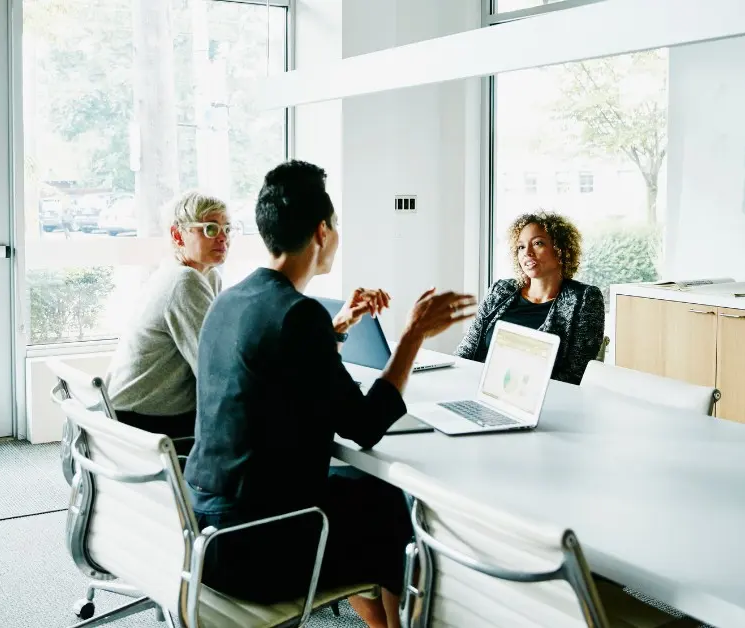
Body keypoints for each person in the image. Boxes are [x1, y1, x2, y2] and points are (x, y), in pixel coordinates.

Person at [183, 160, 476, 628]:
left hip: (203, 530)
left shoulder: (232, 298)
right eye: (335, 225)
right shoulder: (297, 315)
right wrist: (412, 336)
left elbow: (280, 370)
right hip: (254, 545)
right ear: (323, 231)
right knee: (390, 505)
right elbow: (364, 425)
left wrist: (337, 329)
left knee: (366, 495)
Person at [104, 191, 234, 443]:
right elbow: (214, 367)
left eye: (227, 229)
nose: (222, 238)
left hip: (129, 412)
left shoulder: (203, 276)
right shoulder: (184, 281)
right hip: (141, 422)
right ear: (177, 235)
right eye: (209, 229)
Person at [455, 211, 605, 385]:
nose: (527, 252)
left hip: (542, 402)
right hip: (480, 388)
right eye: (521, 247)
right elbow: (467, 350)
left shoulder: (585, 299)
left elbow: (576, 375)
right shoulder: (501, 291)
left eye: (538, 243)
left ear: (561, 250)